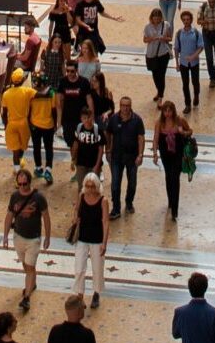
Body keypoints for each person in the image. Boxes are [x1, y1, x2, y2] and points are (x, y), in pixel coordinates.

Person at [4, 167, 52, 313]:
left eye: (25, 184)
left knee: (30, 268)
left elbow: (46, 217)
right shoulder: (14, 197)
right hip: (18, 236)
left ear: (30, 183)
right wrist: (5, 236)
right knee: (26, 266)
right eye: (20, 184)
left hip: (34, 239)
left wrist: (48, 236)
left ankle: (26, 298)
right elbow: (9, 216)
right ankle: (32, 284)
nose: (23, 187)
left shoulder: (38, 198)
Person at [67, 175, 110, 309]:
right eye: (87, 186)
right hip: (82, 238)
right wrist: (75, 219)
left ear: (97, 186)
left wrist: (104, 242)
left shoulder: (103, 201)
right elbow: (76, 210)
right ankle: (80, 294)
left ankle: (96, 293)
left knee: (97, 269)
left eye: (92, 186)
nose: (90, 189)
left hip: (97, 239)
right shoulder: (82, 196)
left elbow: (105, 222)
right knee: (79, 268)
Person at [103, 94, 145, 218]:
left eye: (127, 106)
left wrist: (140, 155)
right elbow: (108, 134)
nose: (125, 108)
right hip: (117, 157)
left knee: (132, 183)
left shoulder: (137, 120)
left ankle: (129, 202)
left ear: (130, 107)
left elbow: (141, 138)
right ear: (120, 106)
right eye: (123, 105)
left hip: (132, 157)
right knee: (115, 183)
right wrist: (108, 150)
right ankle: (116, 208)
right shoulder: (114, 119)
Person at [151, 99, 193, 221]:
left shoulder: (179, 120)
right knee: (169, 176)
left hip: (177, 154)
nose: (167, 113)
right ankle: (170, 199)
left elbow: (190, 131)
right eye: (165, 111)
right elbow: (155, 139)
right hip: (165, 154)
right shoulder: (159, 123)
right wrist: (154, 153)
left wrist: (183, 132)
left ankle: (175, 208)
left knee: (175, 177)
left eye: (170, 111)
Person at [3, 67, 37, 172]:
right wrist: (50, 89)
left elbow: (4, 114)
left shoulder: (6, 94)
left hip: (11, 124)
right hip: (24, 124)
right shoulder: (27, 91)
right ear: (22, 80)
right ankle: (18, 170)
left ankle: (17, 167)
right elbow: (42, 94)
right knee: (21, 147)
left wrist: (6, 126)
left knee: (15, 150)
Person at [173, 10, 205, 110]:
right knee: (185, 84)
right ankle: (187, 104)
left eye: (188, 19)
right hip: (183, 63)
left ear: (191, 20)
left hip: (194, 63)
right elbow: (176, 48)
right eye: (184, 20)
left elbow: (200, 47)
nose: (186, 21)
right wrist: (177, 64)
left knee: (195, 82)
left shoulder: (196, 33)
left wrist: (194, 56)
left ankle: (196, 96)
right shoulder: (179, 33)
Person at [32, 79, 60, 183]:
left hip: (35, 124)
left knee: (36, 147)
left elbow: (29, 109)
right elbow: (54, 110)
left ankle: (38, 168)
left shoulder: (32, 92)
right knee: (49, 148)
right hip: (48, 125)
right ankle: (48, 170)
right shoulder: (51, 93)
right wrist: (55, 123)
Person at [143, 9, 173, 99]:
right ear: (151, 18)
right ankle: (159, 91)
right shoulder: (147, 27)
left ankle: (160, 97)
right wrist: (152, 38)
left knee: (161, 75)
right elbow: (144, 40)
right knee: (155, 75)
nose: (156, 20)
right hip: (152, 54)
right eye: (154, 18)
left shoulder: (166, 25)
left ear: (161, 18)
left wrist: (164, 38)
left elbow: (170, 38)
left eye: (158, 18)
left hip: (163, 53)